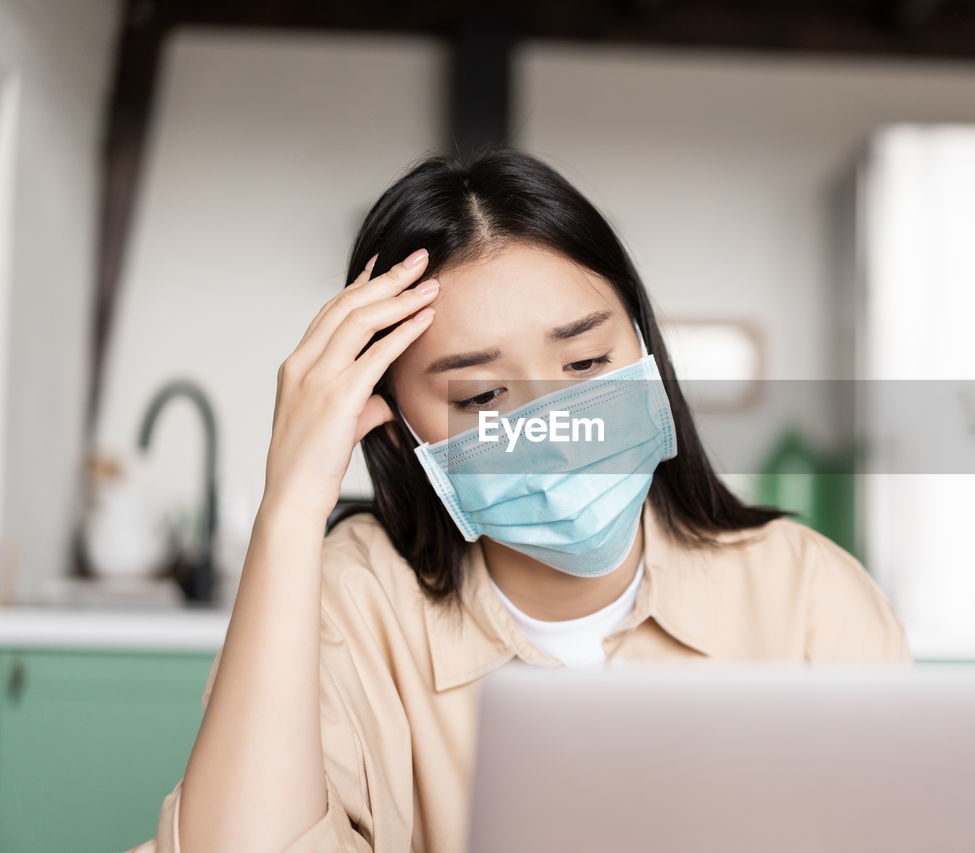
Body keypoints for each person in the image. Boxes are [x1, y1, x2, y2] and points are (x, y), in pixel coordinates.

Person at [128, 146, 910, 853]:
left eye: (587, 361)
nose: (559, 429)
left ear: (645, 352)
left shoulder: (808, 596)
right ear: (401, 434)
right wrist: (290, 507)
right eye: (483, 394)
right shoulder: (353, 602)